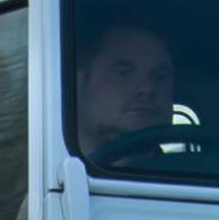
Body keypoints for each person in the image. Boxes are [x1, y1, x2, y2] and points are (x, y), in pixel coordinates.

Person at [72, 21, 179, 156]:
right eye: (123, 73)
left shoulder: (194, 172)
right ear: (79, 86)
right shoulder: (42, 170)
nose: (148, 88)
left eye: (160, 76)